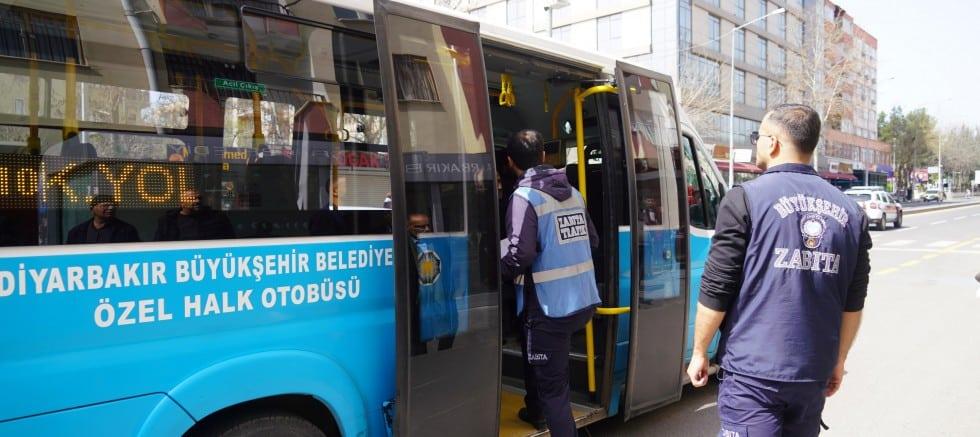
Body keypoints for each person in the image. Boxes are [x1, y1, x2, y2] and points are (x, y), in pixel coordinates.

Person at [687, 104, 871, 437]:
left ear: (772, 143)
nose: (756, 143)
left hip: (752, 375)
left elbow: (717, 289)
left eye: (757, 136)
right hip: (812, 372)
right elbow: (853, 301)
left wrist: (700, 351)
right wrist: (839, 360)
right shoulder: (851, 213)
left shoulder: (745, 199)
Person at [500, 129, 600, 436]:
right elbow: (592, 240)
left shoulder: (524, 197)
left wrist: (492, 271)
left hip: (550, 309)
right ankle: (536, 408)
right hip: (582, 302)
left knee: (554, 391)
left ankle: (547, 416)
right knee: (548, 371)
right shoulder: (575, 194)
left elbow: (520, 255)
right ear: (544, 156)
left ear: (510, 162)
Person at [154, 189, 234, 241]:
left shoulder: (217, 218)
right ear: (182, 203)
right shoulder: (168, 221)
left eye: (199, 198)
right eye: (191, 199)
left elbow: (230, 239)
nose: (197, 201)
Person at [66, 195, 140, 244]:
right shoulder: (76, 232)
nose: (110, 208)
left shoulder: (127, 230)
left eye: (112, 205)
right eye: (105, 205)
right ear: (92, 209)